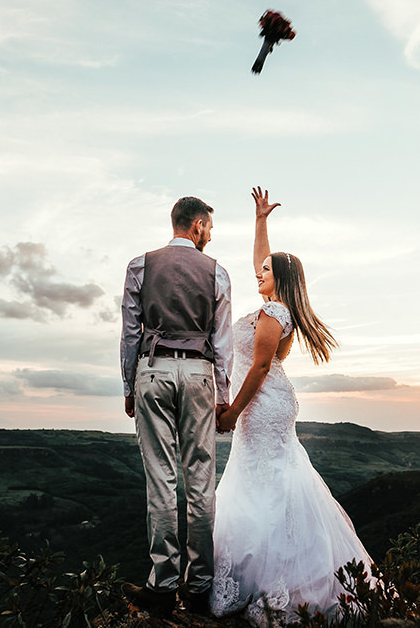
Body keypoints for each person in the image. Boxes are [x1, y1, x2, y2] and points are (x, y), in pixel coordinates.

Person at [211, 187, 371, 626]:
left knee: (266, 484)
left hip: (262, 401)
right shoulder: (276, 304)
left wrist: (232, 412)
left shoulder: (274, 312)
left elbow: (260, 366)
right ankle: (268, 575)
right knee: (266, 479)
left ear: (278, 277)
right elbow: (263, 261)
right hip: (270, 402)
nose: (257, 273)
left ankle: (275, 583)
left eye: (265, 270)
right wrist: (261, 221)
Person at [119, 196, 233, 617]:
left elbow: (131, 331)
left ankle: (163, 585)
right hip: (200, 372)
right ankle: (200, 585)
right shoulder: (217, 271)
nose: (210, 235)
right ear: (199, 225)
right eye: (210, 228)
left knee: (161, 481)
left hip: (154, 369)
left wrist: (129, 384)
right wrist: (222, 396)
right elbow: (222, 342)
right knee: (201, 481)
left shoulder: (140, 265)